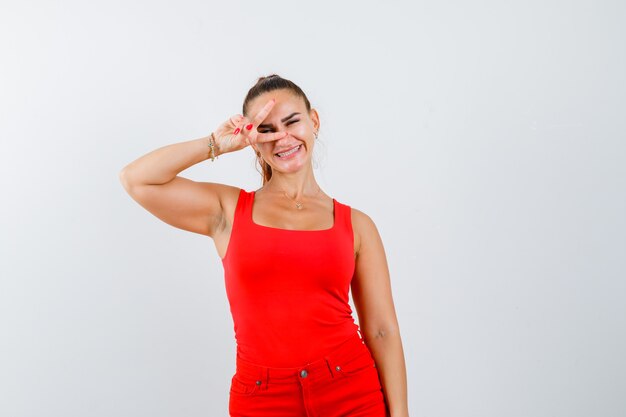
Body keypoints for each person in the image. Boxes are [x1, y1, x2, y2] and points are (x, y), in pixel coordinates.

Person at [119, 74, 409, 417]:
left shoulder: (357, 225)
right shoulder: (227, 211)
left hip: (350, 391)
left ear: (313, 121)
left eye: (292, 121)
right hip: (262, 400)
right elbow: (136, 179)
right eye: (267, 130)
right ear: (254, 141)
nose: (282, 137)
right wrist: (215, 142)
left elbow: (381, 329)